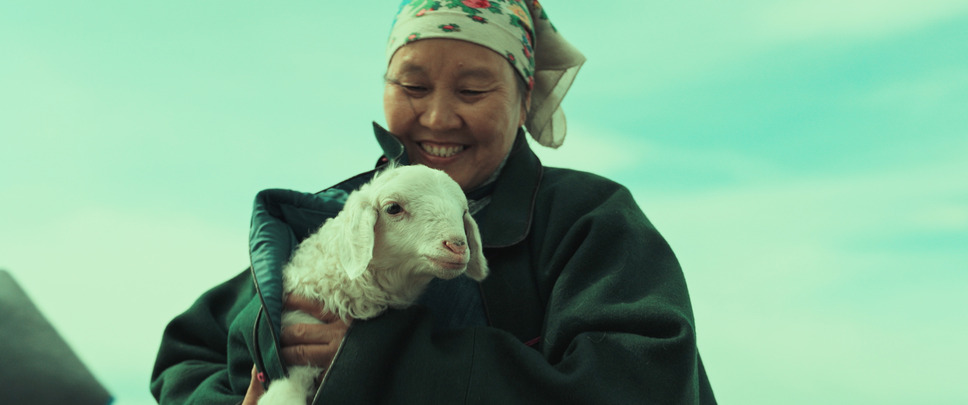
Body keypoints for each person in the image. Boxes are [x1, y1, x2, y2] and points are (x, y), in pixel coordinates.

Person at [151, 1, 716, 404]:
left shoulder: (587, 219)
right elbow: (186, 355)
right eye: (413, 87)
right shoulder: (333, 222)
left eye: (472, 90)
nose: (439, 118)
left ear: (524, 101)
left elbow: (644, 384)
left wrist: (381, 358)